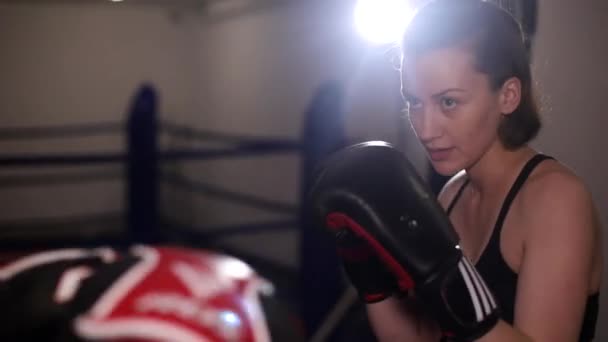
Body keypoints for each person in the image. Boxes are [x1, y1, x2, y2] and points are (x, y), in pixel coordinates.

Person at [310, 0, 602, 341]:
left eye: (448, 102)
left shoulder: (556, 200)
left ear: (508, 96)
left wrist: (461, 299)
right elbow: (419, 337)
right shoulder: (452, 193)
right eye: (414, 102)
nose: (426, 129)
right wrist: (370, 277)